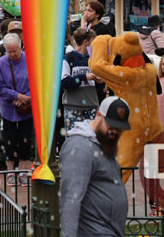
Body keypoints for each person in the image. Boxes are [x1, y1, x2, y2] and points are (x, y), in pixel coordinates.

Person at [58, 97, 130, 237]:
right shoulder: (80, 148)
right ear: (98, 114)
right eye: (111, 126)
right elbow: (70, 199)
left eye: (120, 129)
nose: (115, 132)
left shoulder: (102, 143)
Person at [0, 34, 32, 182]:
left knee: (25, 139)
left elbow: (35, 82)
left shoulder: (29, 58)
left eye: (15, 51)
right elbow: (0, 87)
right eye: (9, 51)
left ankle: (23, 170)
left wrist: (24, 98)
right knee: (9, 140)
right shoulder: (2, 62)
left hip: (26, 106)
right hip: (9, 107)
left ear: (20, 46)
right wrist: (16, 96)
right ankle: (10, 172)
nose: (13, 54)